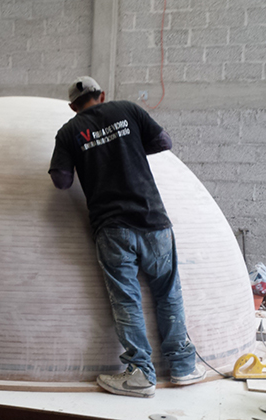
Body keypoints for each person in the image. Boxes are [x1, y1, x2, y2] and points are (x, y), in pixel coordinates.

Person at [48, 76, 206, 398]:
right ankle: (182, 367)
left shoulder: (68, 132)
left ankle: (140, 374)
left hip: (112, 229)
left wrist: (86, 158)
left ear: (72, 107)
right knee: (168, 293)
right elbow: (164, 142)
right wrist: (127, 148)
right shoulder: (127, 110)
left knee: (126, 300)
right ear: (102, 95)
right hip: (154, 221)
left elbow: (62, 182)